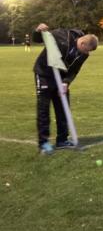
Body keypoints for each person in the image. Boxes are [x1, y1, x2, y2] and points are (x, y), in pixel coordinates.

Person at [32, 23, 98, 154]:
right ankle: (43, 143)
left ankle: (62, 140)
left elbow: (74, 69)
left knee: (63, 107)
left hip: (61, 77)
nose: (86, 54)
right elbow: (39, 39)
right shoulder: (61, 35)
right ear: (83, 43)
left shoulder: (84, 54)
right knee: (43, 109)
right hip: (44, 73)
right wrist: (38, 31)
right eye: (86, 50)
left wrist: (66, 82)